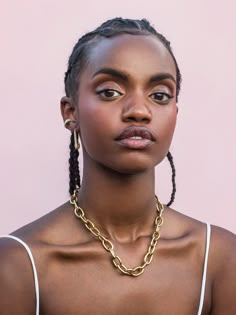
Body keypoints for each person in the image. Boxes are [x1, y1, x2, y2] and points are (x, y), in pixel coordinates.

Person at [0, 18, 235, 315]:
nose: (139, 110)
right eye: (110, 91)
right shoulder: (19, 264)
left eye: (159, 95)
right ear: (70, 112)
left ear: (175, 111)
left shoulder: (219, 258)